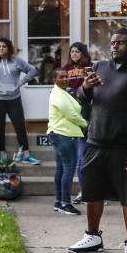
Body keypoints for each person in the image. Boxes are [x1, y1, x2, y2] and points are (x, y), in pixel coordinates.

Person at [67, 28, 127, 253]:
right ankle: (93, 236)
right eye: (113, 42)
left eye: (121, 43)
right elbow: (82, 99)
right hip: (96, 143)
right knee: (93, 193)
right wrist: (85, 87)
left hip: (124, 147)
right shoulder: (99, 68)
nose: (115, 46)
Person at [0, 37, 40, 164]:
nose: (1, 48)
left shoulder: (17, 61)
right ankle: (2, 154)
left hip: (14, 99)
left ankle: (26, 154)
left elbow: (33, 70)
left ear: (9, 48)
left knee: (20, 126)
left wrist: (22, 81)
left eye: (4, 46)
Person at [47, 67, 87, 215]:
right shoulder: (57, 94)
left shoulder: (63, 92)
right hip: (64, 135)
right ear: (54, 80)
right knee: (68, 170)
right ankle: (66, 204)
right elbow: (70, 114)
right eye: (61, 77)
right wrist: (86, 124)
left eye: (66, 76)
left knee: (62, 170)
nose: (64, 79)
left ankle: (58, 202)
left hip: (60, 134)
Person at [61, 42, 92, 203]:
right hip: (70, 113)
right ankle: (83, 191)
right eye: (72, 51)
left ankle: (89, 191)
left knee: (83, 156)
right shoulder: (66, 69)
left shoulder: (90, 67)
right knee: (76, 157)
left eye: (77, 52)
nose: (74, 54)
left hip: (86, 112)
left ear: (83, 53)